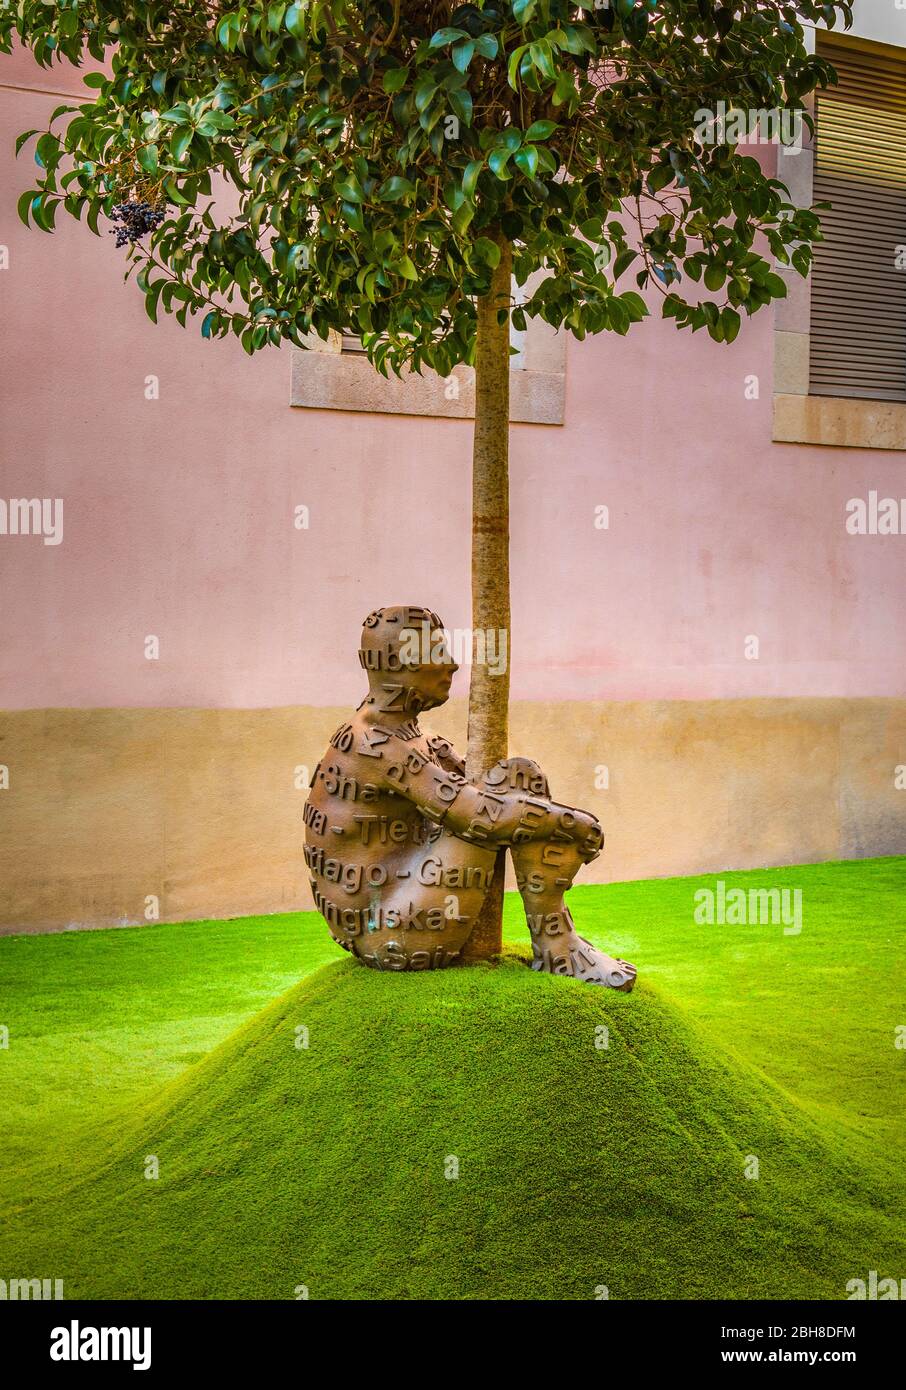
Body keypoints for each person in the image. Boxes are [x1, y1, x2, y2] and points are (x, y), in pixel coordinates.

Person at [304, 606, 637, 990]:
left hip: (407, 898)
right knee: (512, 794)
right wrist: (573, 824)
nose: (451, 665)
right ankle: (558, 947)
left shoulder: (412, 738)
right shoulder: (374, 743)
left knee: (519, 774)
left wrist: (555, 818)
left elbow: (484, 789)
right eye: (435, 652)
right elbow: (481, 815)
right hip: (391, 934)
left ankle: (558, 944)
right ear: (398, 664)